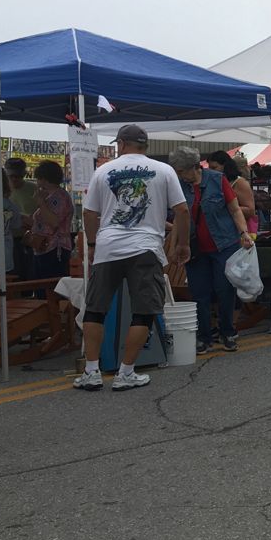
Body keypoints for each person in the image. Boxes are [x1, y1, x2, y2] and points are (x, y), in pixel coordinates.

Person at [74, 125, 189, 392]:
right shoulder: (164, 170)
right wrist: (181, 244)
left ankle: (91, 371)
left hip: (108, 247)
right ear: (144, 145)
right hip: (145, 247)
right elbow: (182, 211)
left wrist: (92, 244)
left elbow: (89, 214)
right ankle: (126, 372)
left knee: (95, 308)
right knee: (144, 311)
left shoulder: (102, 171)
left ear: (122, 144)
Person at [169, 147, 254, 353]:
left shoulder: (217, 179)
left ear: (194, 167)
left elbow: (234, 209)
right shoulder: (178, 186)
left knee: (225, 290)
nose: (179, 175)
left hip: (224, 244)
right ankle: (204, 337)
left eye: (181, 171)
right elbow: (177, 220)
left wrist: (244, 233)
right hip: (194, 248)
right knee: (199, 293)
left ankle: (227, 332)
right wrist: (173, 248)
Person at [28, 160, 74, 280]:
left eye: (38, 179)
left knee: (49, 287)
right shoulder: (48, 197)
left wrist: (41, 204)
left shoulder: (60, 197)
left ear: (44, 179)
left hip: (54, 249)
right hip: (41, 248)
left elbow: (54, 222)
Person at [208, 151, 257, 234]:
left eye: (214, 168)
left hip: (238, 232)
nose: (211, 171)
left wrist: (224, 208)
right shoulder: (214, 182)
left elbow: (250, 210)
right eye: (210, 168)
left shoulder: (239, 183)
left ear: (225, 166)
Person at [4, 157, 38, 280]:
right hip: (8, 239)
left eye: (18, 176)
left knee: (28, 276)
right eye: (11, 176)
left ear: (24, 174)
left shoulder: (34, 189)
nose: (14, 179)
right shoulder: (1, 190)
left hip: (30, 240)